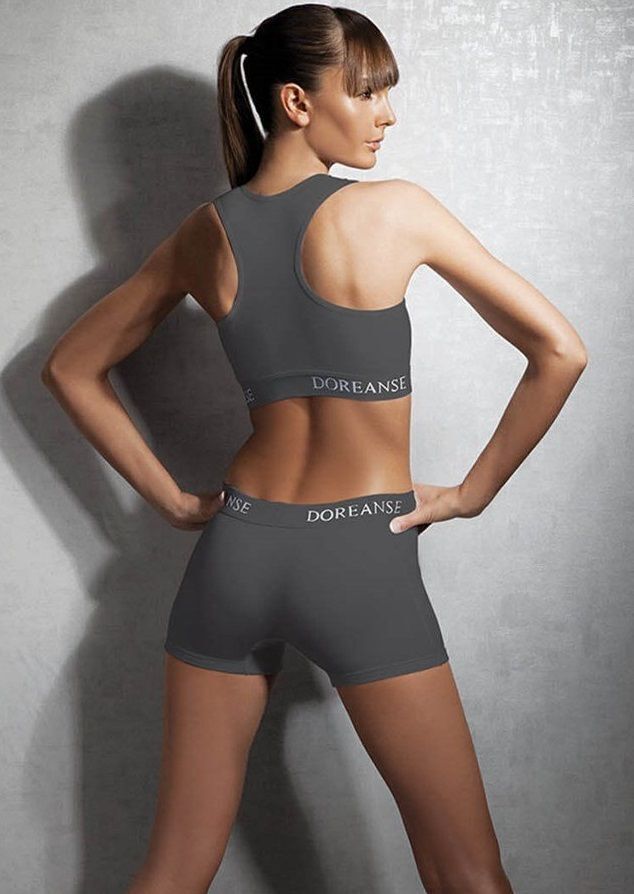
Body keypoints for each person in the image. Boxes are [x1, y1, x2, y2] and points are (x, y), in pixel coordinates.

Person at [42, 5, 588, 893]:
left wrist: (175, 503)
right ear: (296, 102)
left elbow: (69, 367)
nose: (387, 115)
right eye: (367, 93)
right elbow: (560, 351)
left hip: (237, 552)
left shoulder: (206, 232)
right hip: (359, 556)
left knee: (172, 869)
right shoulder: (395, 212)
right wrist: (472, 493)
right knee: (467, 872)